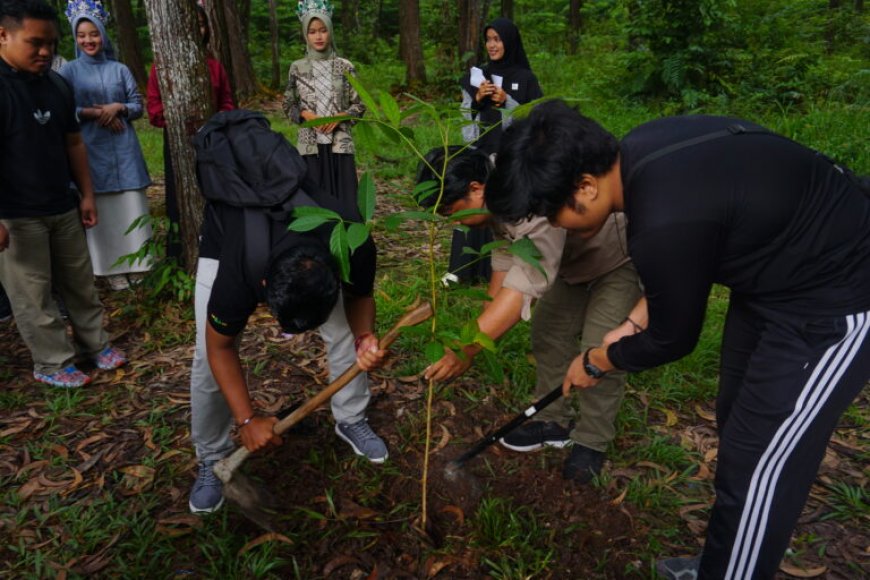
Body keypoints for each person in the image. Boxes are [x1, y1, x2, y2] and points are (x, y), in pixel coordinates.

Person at [485, 99, 870, 580]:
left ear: (585, 186)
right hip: (771, 280)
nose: (555, 226)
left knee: (760, 465)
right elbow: (694, 250)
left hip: (834, 301)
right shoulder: (644, 153)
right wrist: (629, 325)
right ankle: (727, 560)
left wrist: (600, 358)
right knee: (741, 430)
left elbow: (674, 339)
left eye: (551, 212)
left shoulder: (662, 218)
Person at [187, 136, 389, 515]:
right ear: (263, 287)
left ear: (335, 272)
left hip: (300, 247)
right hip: (225, 237)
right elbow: (221, 347)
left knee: (345, 332)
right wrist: (247, 419)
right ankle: (211, 457)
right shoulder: (239, 272)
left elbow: (360, 297)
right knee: (205, 356)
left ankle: (351, 418)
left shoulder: (352, 238)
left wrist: (365, 337)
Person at [419, 147, 641, 483]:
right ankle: (553, 420)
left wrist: (466, 348)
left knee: (599, 350)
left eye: (451, 210)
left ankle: (592, 440)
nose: (451, 221)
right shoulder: (495, 193)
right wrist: (478, 334)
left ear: (476, 188)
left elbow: (523, 288)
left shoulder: (527, 192)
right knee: (548, 332)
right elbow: (506, 265)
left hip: (614, 258)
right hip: (566, 263)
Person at [0, 0, 125, 388]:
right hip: (15, 213)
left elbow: (74, 143)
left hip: (62, 202)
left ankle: (95, 345)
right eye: (34, 42)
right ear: (3, 35)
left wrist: (86, 194)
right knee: (33, 293)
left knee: (80, 281)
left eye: (51, 44)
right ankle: (53, 362)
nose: (45, 52)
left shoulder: (57, 84)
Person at [60, 0, 151, 291]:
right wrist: (94, 112)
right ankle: (110, 268)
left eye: (94, 33)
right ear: (75, 38)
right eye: (82, 35)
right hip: (90, 149)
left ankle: (138, 264)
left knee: (130, 204)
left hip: (123, 147)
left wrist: (118, 107)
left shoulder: (120, 68)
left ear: (103, 34)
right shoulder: (69, 72)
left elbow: (138, 106)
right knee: (102, 208)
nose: (89, 40)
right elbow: (63, 110)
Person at [449, 18, 544, 286]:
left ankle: (504, 273)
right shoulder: (476, 76)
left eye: (497, 39)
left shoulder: (526, 79)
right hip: (480, 155)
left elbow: (533, 124)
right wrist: (477, 101)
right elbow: (465, 126)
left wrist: (507, 103)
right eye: (488, 39)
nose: (492, 45)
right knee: (473, 204)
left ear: (509, 42)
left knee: (504, 212)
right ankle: (465, 272)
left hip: (510, 159)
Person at [146, 1, 234, 263]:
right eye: (192, 25)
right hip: (176, 140)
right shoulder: (160, 67)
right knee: (178, 200)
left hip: (213, 141)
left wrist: (217, 124)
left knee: (214, 196)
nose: (198, 29)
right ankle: (179, 256)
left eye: (201, 24)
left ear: (207, 29)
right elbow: (154, 108)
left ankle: (220, 253)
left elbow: (227, 103)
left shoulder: (215, 66)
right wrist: (178, 121)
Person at [283, 0, 365, 218]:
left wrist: (340, 116)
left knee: (344, 200)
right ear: (305, 34)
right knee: (314, 199)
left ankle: (348, 245)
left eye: (323, 30)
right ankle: (318, 247)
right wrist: (305, 114)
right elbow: (288, 103)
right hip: (310, 146)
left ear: (330, 31)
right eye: (312, 32)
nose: (318, 36)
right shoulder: (297, 67)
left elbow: (360, 104)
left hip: (340, 144)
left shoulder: (345, 66)